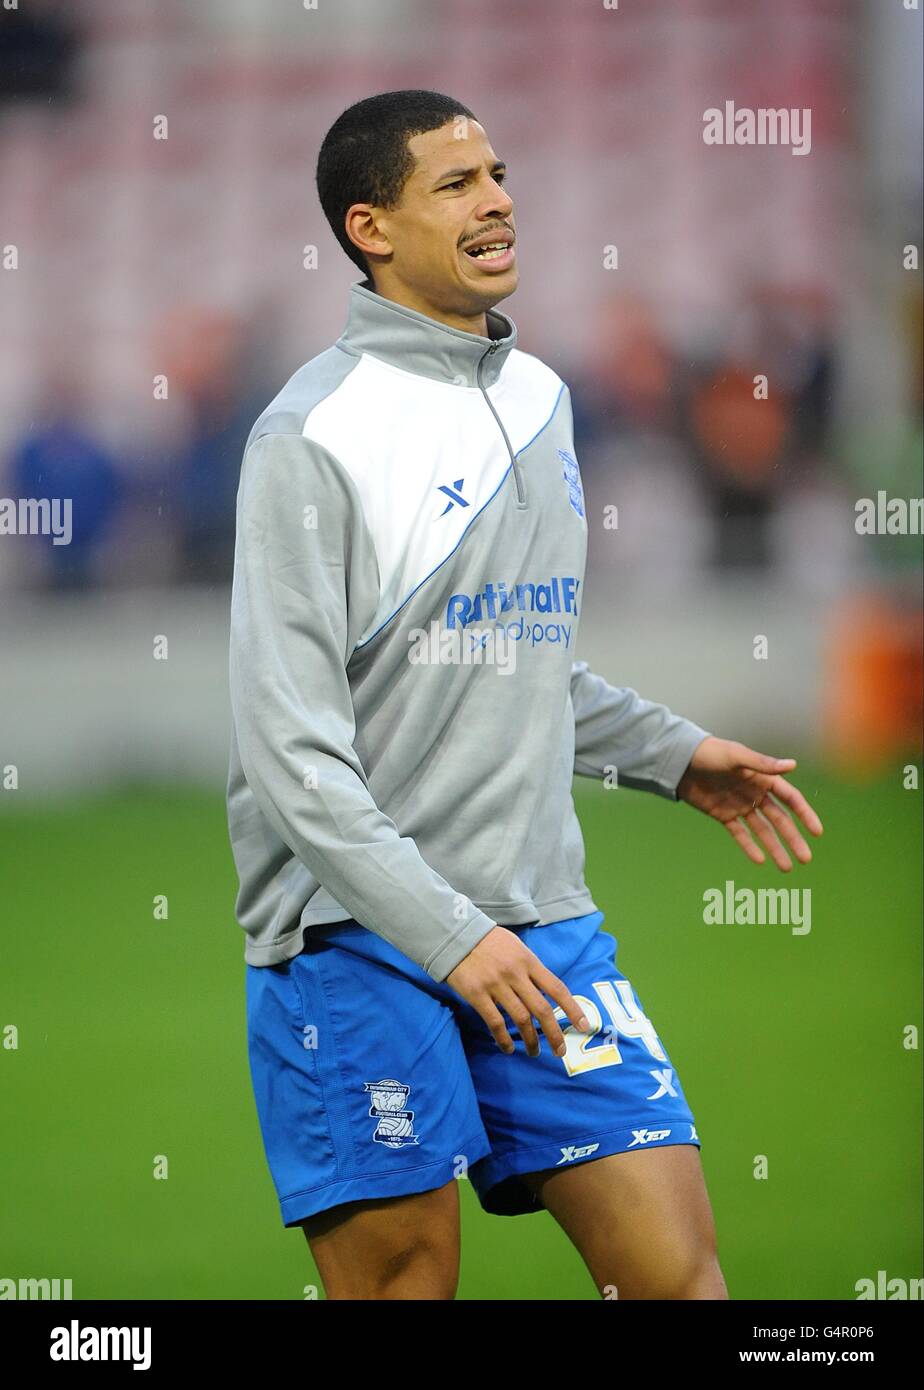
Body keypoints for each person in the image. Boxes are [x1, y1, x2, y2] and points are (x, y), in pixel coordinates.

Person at [226, 89, 823, 1300]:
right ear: (370, 227)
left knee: (680, 1278)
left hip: (543, 926)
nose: (498, 199)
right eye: (455, 184)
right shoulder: (311, 433)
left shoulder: (542, 400)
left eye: (497, 173)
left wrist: (669, 751)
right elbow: (292, 756)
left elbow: (518, 654)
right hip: (358, 939)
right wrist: (450, 940)